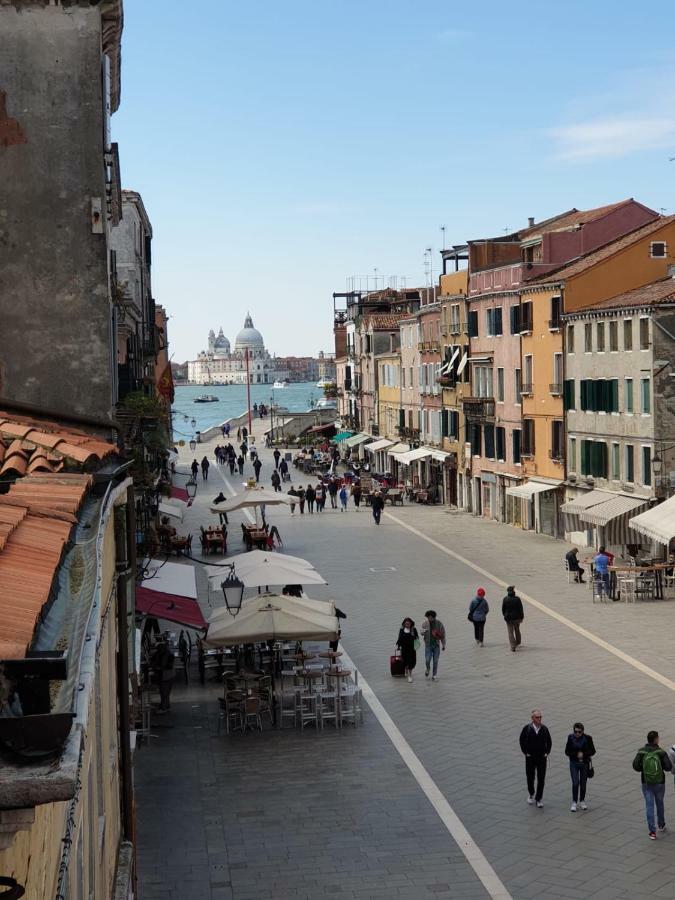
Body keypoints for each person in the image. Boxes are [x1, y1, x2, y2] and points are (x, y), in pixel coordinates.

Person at [633, 730, 673, 839]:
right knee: (659, 803)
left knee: (649, 806)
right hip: (660, 783)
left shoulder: (641, 752)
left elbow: (635, 766)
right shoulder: (661, 752)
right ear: (656, 739)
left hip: (646, 782)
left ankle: (652, 832)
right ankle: (661, 824)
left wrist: (644, 769)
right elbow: (669, 767)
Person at [520, 710, 552, 808]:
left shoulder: (544, 729)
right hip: (530, 758)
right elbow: (521, 740)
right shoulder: (527, 728)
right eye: (537, 717)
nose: (539, 719)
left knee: (541, 778)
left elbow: (549, 741)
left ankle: (538, 798)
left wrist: (547, 753)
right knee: (530, 777)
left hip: (541, 758)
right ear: (532, 718)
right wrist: (526, 752)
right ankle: (531, 793)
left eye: (540, 717)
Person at [565, 722, 596, 812]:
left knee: (583, 783)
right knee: (575, 783)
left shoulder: (588, 738)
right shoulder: (570, 738)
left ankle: (582, 800)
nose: (577, 734)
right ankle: (574, 802)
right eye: (575, 731)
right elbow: (567, 751)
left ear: (583, 732)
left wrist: (584, 754)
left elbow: (593, 751)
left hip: (584, 764)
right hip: (574, 763)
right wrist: (576, 754)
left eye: (579, 732)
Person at [420, 610, 446, 680]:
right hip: (428, 645)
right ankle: (428, 669)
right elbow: (421, 633)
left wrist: (443, 645)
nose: (430, 619)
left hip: (436, 646)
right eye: (428, 617)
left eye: (431, 617)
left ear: (434, 617)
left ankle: (434, 675)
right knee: (427, 660)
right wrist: (423, 632)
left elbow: (443, 635)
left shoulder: (439, 624)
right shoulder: (425, 624)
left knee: (435, 661)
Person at [152, 640, 175, 713]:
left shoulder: (164, 654)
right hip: (169, 674)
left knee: (164, 692)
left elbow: (163, 664)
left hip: (165, 674)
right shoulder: (166, 652)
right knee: (166, 692)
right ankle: (166, 706)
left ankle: (163, 707)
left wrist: (156, 667)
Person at [396, 617, 419, 683]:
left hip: (412, 649)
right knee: (405, 661)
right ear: (404, 624)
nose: (407, 625)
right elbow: (399, 638)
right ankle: (406, 669)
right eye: (406, 623)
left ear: (411, 623)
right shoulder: (402, 630)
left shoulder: (413, 629)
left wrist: (413, 635)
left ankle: (410, 676)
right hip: (404, 649)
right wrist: (398, 646)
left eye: (409, 623)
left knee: (411, 662)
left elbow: (417, 638)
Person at [502, 586, 524, 651]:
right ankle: (518, 641)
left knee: (510, 632)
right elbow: (521, 609)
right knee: (517, 629)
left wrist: (505, 615)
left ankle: (513, 646)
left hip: (508, 618)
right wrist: (522, 617)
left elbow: (503, 609)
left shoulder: (505, 599)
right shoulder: (517, 599)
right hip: (517, 618)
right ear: (513, 591)